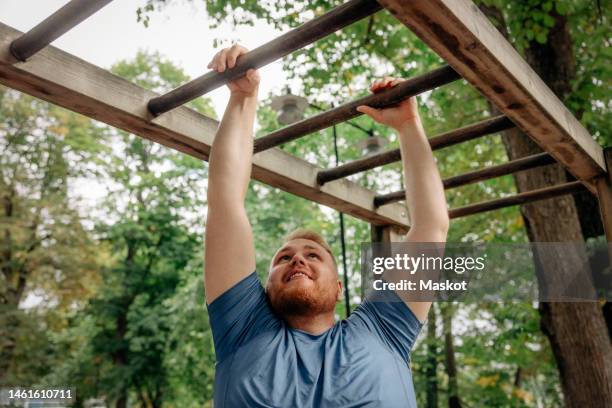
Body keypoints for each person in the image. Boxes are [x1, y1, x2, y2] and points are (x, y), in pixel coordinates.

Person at [204, 44, 449, 408]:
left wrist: (410, 126)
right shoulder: (242, 327)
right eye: (283, 258)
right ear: (264, 289)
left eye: (312, 255)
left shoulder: (383, 329)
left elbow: (431, 225)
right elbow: (225, 201)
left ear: (338, 289)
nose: (296, 260)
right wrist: (243, 97)